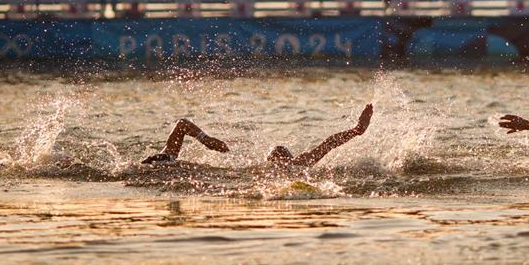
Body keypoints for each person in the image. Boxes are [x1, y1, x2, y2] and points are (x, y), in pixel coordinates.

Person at [142, 103, 374, 170]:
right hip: (166, 164)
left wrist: (357, 130)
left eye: (280, 155)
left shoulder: (299, 167)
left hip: (177, 171)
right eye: (275, 154)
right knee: (168, 158)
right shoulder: (249, 166)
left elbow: (328, 145)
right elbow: (182, 124)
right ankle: (166, 159)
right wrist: (205, 139)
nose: (276, 153)